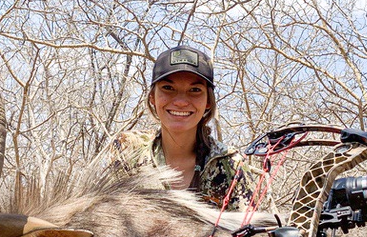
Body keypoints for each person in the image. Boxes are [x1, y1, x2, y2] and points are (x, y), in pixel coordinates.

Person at [108, 45, 264, 212]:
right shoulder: (128, 149)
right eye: (168, 88)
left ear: (208, 102)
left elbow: (251, 231)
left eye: (195, 90)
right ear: (152, 97)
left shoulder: (230, 165)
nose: (181, 101)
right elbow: (107, 219)